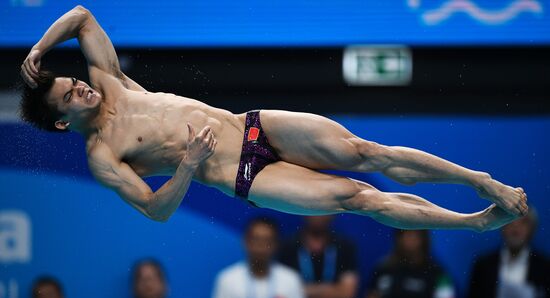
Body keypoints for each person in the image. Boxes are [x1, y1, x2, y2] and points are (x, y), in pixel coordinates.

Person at [19, 6, 528, 231]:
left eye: (73, 80)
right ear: (63, 120)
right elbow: (155, 210)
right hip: (245, 175)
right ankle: (477, 223)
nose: (81, 85)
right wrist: (190, 165)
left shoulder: (110, 80)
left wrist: (40, 48)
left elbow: (81, 15)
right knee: (357, 198)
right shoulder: (103, 156)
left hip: (253, 125)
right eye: (70, 93)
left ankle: (478, 179)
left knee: (366, 152)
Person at [211, 217, 306, 298]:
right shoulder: (227, 279)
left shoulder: (291, 279)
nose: (261, 246)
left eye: (267, 241)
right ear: (245, 241)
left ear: (276, 244)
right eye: (256, 239)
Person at [466, 207, 550, 298]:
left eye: (522, 222)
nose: (515, 228)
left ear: (532, 228)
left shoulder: (544, 267)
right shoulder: (484, 265)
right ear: (500, 226)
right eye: (510, 221)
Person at [278, 216, 358, 298]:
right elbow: (284, 294)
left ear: (333, 214)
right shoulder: (288, 246)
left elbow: (347, 295)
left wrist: (302, 291)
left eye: (322, 210)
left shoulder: (344, 246)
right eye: (313, 208)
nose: (318, 215)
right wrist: (332, 290)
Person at [363, 230, 455, 298]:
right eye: (405, 234)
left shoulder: (438, 273)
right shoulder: (383, 269)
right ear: (398, 238)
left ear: (423, 238)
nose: (409, 240)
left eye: (414, 235)